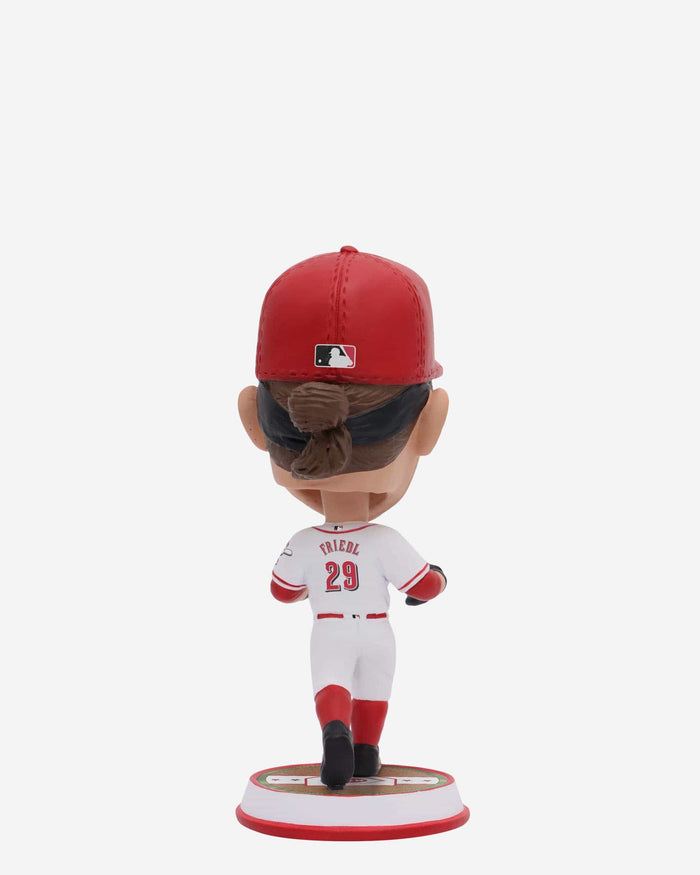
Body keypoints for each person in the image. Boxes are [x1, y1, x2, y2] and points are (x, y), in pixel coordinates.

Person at [238, 245, 449, 789]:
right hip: (376, 627)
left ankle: (335, 728)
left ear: (253, 423)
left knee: (331, 683)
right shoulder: (386, 539)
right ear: (431, 422)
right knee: (376, 687)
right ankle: (366, 750)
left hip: (328, 625)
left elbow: (282, 592)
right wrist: (436, 580)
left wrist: (310, 582)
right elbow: (425, 586)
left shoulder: (304, 540)